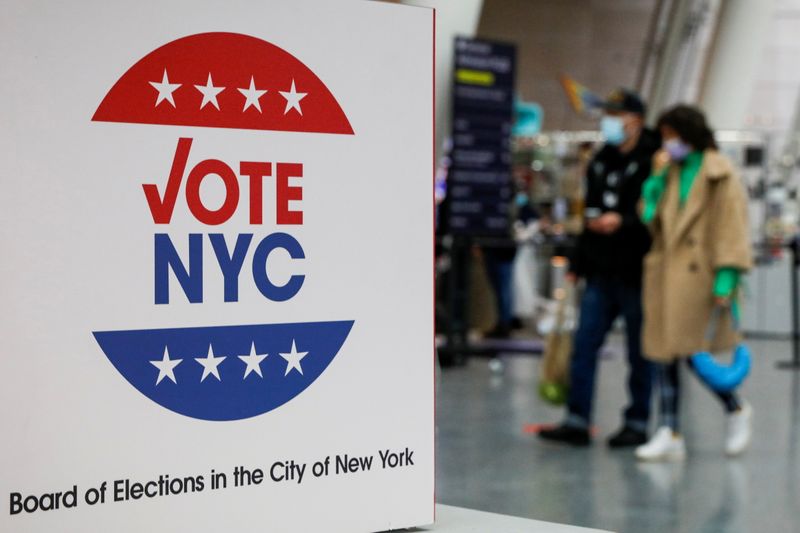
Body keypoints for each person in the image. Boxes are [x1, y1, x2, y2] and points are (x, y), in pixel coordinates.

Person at [539, 89, 657, 447]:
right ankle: (577, 418)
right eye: (606, 113)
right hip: (599, 271)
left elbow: (655, 214)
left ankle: (637, 421)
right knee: (584, 343)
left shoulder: (655, 157)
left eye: (614, 114)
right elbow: (586, 210)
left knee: (641, 352)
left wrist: (622, 222)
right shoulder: (602, 158)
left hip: (637, 272)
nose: (609, 120)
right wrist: (577, 262)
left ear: (634, 118)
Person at [635, 105, 753, 461]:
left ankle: (735, 408)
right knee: (663, 355)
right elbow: (650, 219)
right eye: (664, 137)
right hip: (666, 276)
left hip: (701, 279)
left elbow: (731, 228)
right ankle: (670, 429)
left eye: (671, 135)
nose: (667, 143)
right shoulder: (670, 172)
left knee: (692, 354)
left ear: (688, 133)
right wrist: (654, 181)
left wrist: (726, 279)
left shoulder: (720, 173)